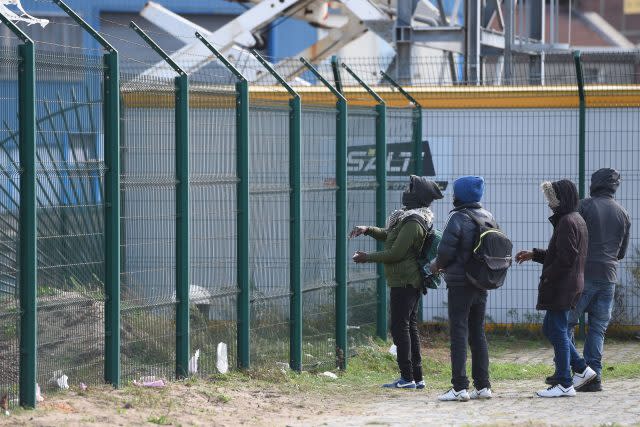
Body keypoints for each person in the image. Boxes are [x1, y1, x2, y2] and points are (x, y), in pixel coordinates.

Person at [350, 175, 443, 389]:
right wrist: (368, 230)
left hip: (405, 281)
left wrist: (367, 257)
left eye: (410, 188)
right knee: (408, 327)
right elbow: (391, 237)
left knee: (400, 328)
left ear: (417, 195)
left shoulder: (413, 221)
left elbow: (395, 253)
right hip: (406, 280)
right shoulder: (408, 218)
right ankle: (416, 378)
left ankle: (407, 377)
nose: (406, 191)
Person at [516, 179, 589, 398]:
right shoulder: (575, 219)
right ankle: (582, 369)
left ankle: (564, 382)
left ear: (562, 199)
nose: (549, 204)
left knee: (557, 330)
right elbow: (562, 254)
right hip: (570, 284)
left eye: (552, 199)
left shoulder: (567, 221)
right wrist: (535, 254)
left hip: (562, 287)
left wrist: (547, 276)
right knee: (551, 328)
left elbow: (565, 259)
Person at [564, 168, 630, 392]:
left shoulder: (583, 206)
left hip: (583, 275)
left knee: (564, 324)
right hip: (609, 277)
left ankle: (574, 372)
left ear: (594, 183)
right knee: (597, 330)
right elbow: (621, 253)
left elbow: (570, 236)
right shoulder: (623, 212)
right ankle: (595, 377)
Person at [431, 175, 495, 402]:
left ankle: (459, 388)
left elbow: (445, 252)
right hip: (481, 282)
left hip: (460, 283)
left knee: (459, 332)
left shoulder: (457, 217)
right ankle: (483, 386)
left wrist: (435, 266)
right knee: (477, 333)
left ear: (460, 195)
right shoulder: (487, 216)